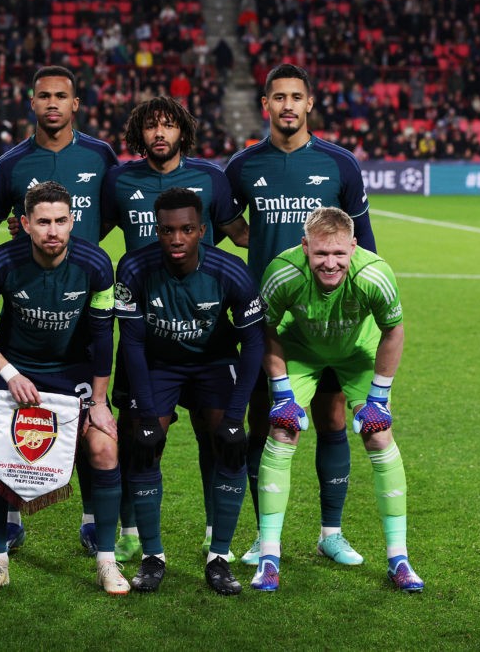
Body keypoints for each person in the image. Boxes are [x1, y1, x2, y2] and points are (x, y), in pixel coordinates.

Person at [0, 65, 119, 556]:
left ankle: (95, 522)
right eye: (44, 96)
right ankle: (7, 521)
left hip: (83, 304)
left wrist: (81, 258)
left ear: (76, 104)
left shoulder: (100, 156)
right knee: (8, 427)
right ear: (32, 102)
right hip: (26, 307)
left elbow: (114, 212)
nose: (53, 103)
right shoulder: (10, 165)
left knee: (96, 431)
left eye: (62, 96)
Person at [224, 63, 376, 566]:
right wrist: (260, 244)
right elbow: (227, 221)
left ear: (310, 104)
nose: (288, 106)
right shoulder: (243, 166)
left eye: (296, 97)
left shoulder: (340, 164)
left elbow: (363, 247)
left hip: (326, 320)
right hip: (265, 322)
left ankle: (330, 533)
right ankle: (264, 536)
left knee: (332, 419)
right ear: (265, 105)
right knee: (267, 422)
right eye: (279, 97)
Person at [101, 95, 248, 562]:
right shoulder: (119, 179)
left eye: (167, 126)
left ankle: (213, 531)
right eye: (150, 127)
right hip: (143, 322)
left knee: (216, 433)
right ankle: (130, 531)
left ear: (183, 131)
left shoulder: (210, 178)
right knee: (136, 433)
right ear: (138, 134)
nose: (159, 134)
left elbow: (237, 231)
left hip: (202, 322)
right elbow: (90, 231)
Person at [0, 181, 127, 596]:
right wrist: (8, 373)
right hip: (15, 370)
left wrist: (101, 401)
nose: (52, 231)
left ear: (72, 221)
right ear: (25, 224)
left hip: (72, 372)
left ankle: (106, 560)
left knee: (105, 447)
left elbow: (103, 334)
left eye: (60, 221)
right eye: (43, 222)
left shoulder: (96, 264)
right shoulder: (3, 260)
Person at [251, 207, 422, 593]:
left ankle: (399, 558)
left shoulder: (375, 273)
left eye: (339, 254)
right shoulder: (283, 272)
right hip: (301, 351)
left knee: (379, 435)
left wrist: (378, 397)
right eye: (321, 254)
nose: (330, 264)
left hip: (358, 353)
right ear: (305, 246)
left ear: (354, 247)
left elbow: (393, 331)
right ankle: (268, 557)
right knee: (283, 429)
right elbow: (265, 328)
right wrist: (281, 392)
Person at [114, 188, 262, 595]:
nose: (176, 239)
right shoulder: (132, 269)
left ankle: (219, 557)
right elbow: (133, 344)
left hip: (213, 364)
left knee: (231, 446)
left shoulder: (231, 271)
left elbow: (252, 345)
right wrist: (145, 415)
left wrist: (235, 418)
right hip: (158, 365)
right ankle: (152, 556)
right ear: (157, 230)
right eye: (167, 230)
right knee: (143, 445)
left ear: (202, 230)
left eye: (186, 230)